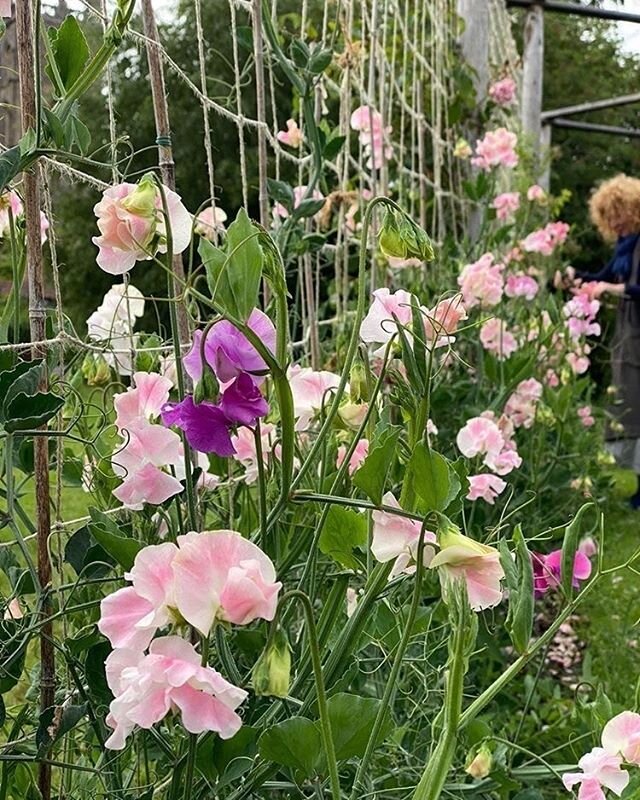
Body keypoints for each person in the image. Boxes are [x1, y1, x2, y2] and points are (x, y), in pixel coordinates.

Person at [557, 174, 640, 508]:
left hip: (637, 328)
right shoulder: (625, 246)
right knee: (630, 401)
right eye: (608, 215)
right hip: (630, 331)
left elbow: (625, 286)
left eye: (618, 211)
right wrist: (575, 277)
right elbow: (601, 277)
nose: (614, 221)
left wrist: (612, 290)